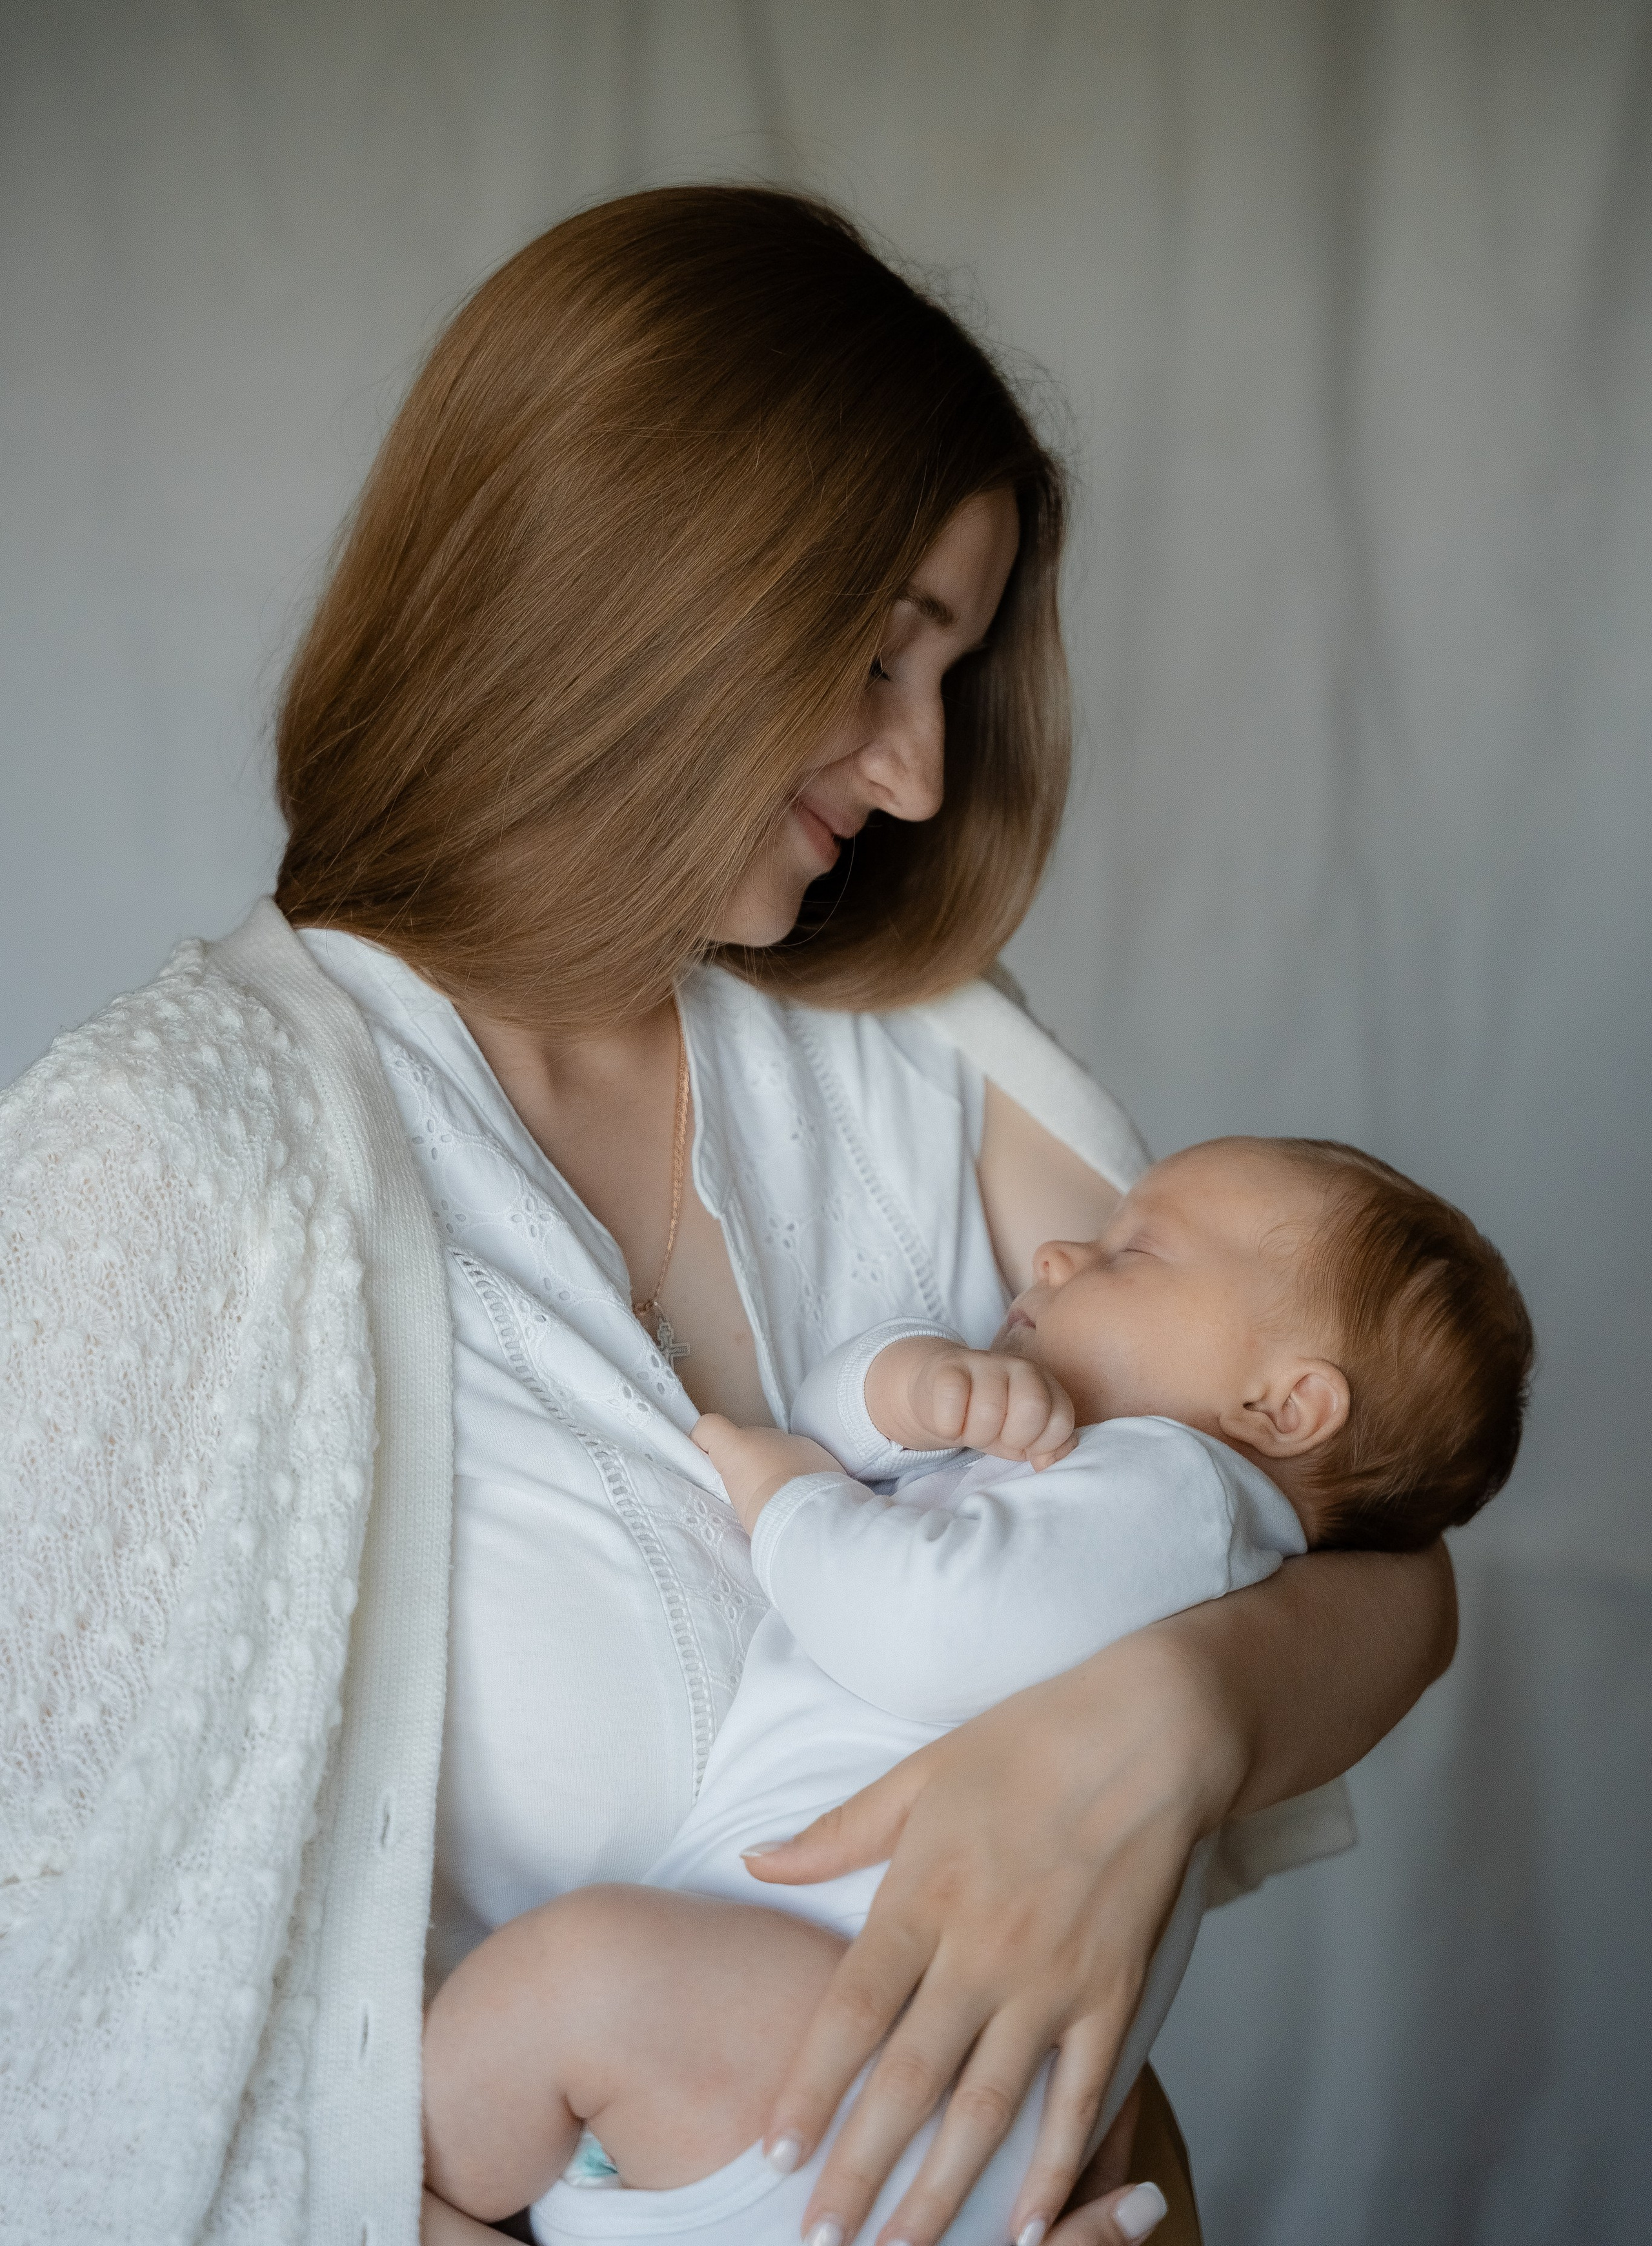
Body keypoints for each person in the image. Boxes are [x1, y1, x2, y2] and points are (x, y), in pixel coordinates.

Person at [0, 188, 1458, 2246]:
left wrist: (1170, 1726)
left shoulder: (916, 1058)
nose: (923, 776)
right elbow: (62, 2031)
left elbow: (1376, 1545)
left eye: (953, 672)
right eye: (878, 655)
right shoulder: (174, 1160)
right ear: (637, 597)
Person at [419, 1135, 1531, 2246]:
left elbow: (922, 1628)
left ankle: (395, 2188)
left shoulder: (1180, 1493)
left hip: (844, 2059)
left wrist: (793, 1498)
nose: (1056, 1255)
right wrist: (909, 1389)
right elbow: (845, 1438)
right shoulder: (1102, 1488)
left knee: (576, 1981)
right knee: (573, 1998)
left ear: (1284, 1408)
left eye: (1132, 1253)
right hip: (826, 2084)